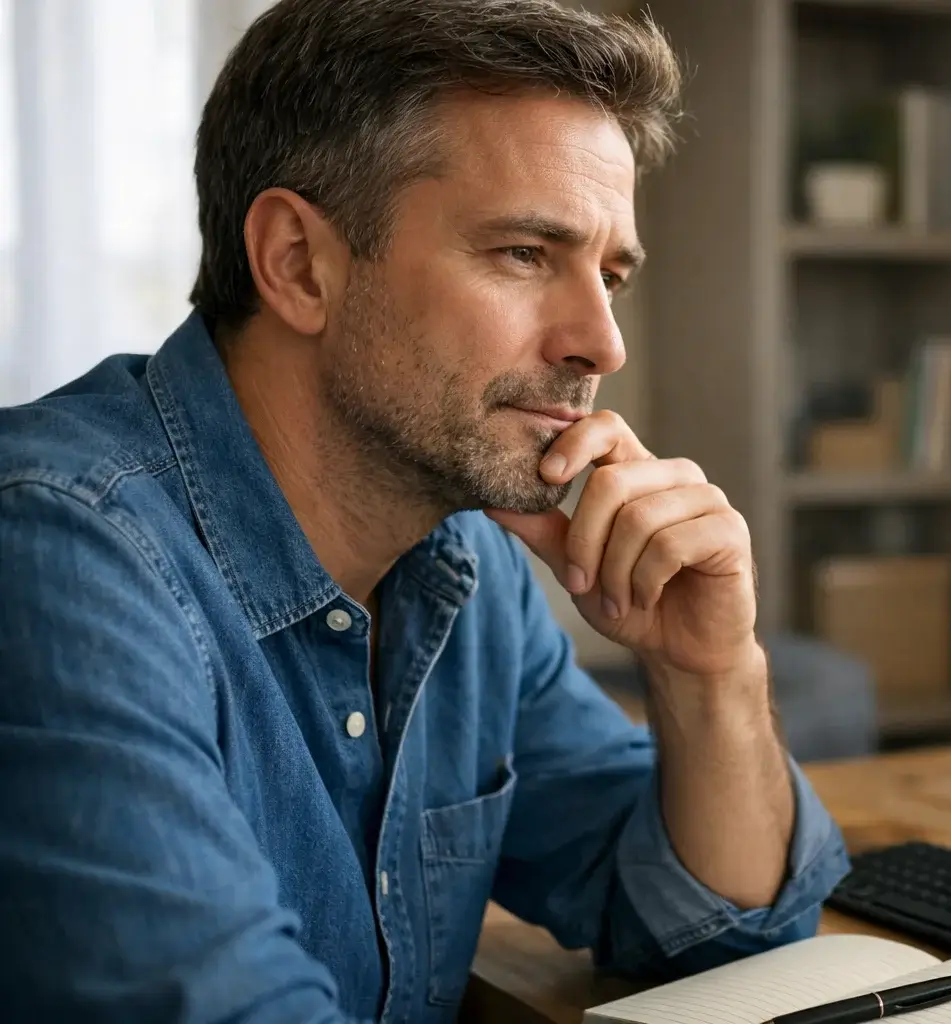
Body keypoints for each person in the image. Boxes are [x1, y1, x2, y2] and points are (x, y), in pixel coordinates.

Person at [0, 1, 851, 1020]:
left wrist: (712, 673)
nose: (603, 342)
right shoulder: (59, 552)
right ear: (297, 263)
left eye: (611, 272)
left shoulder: (462, 561)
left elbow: (720, 929)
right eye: (526, 254)